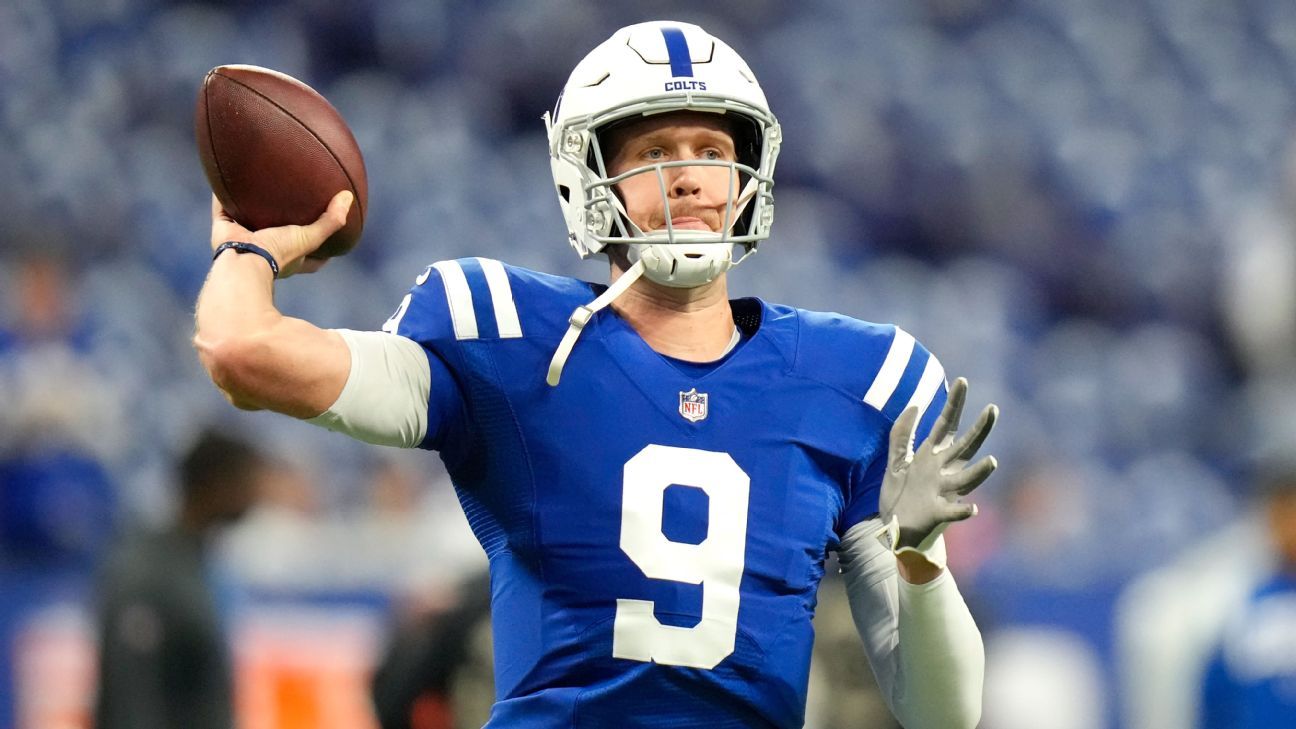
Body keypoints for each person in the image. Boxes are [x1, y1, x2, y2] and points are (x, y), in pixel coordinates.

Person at [193, 21, 997, 728]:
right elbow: (241, 353)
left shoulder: (856, 382)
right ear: (586, 177)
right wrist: (248, 252)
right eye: (655, 153)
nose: (688, 177)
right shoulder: (507, 338)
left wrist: (921, 563)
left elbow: (944, 712)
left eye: (712, 152)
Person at [93, 430, 262, 729]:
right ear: (214, 483)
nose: (253, 494)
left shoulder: (199, 562)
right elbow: (131, 699)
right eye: (245, 481)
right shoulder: (147, 572)